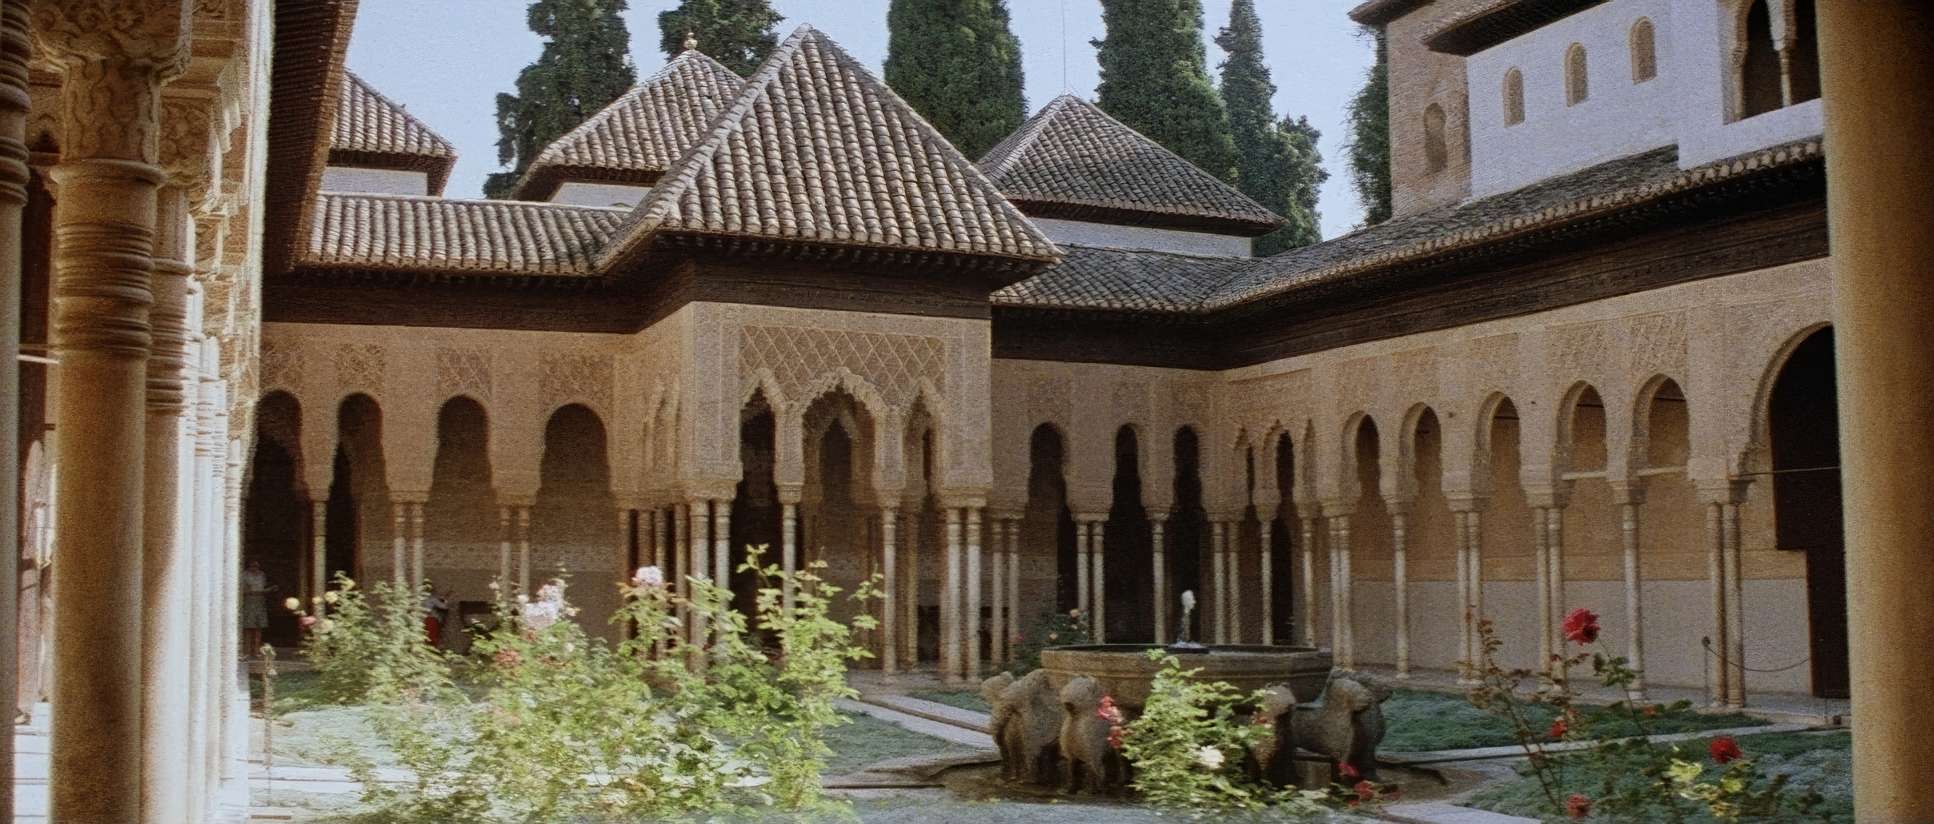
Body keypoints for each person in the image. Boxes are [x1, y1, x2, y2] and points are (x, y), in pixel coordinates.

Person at [240, 559, 275, 659]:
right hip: (249, 602)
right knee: (248, 627)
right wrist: (261, 591)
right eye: (252, 566)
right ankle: (246, 651)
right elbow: (244, 590)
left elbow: (262, 587)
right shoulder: (244, 575)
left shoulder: (262, 575)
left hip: (260, 602)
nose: (255, 568)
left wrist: (267, 590)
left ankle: (256, 651)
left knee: (258, 627)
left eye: (256, 566)